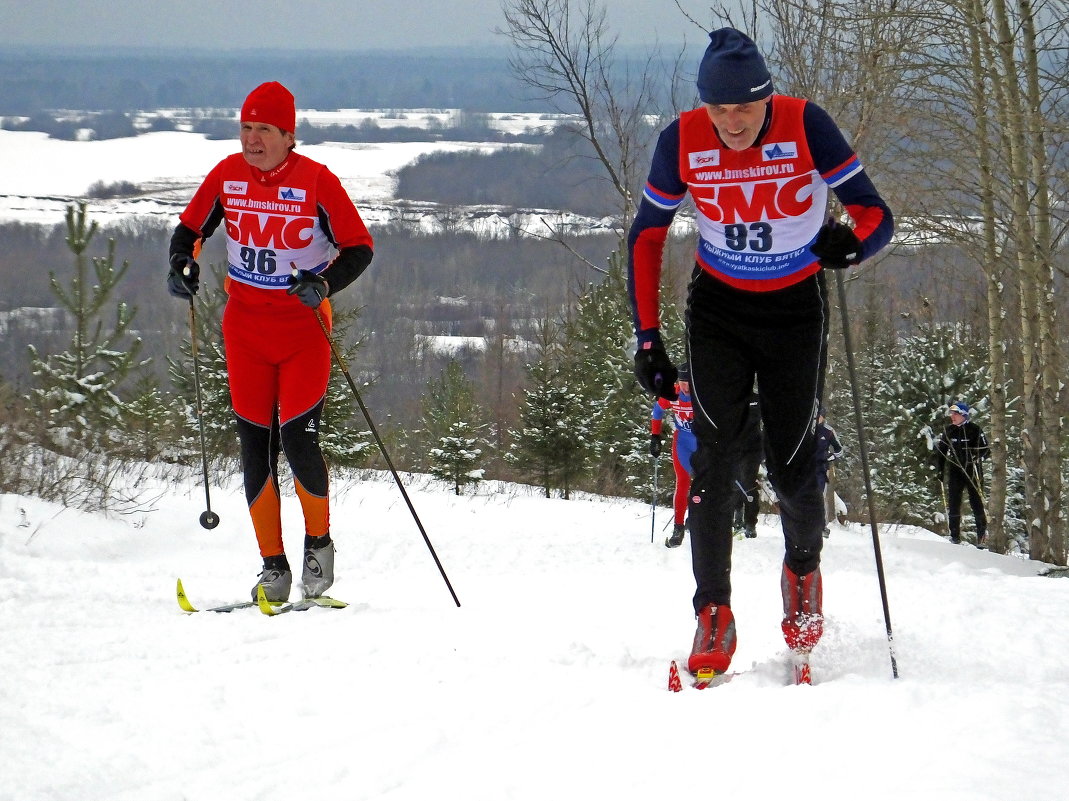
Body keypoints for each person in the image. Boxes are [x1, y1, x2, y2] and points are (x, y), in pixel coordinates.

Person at [628, 28, 893, 678]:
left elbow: (874, 213)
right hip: (717, 306)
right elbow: (646, 234)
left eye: (742, 107)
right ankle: (712, 610)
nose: (730, 121)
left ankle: (801, 570)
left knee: (791, 458)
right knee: (712, 456)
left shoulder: (805, 125)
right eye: (717, 109)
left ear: (765, 97)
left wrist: (850, 243)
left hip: (793, 309)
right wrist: (645, 336)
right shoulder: (682, 140)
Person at [167, 81, 375, 602]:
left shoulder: (317, 182)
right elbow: (189, 230)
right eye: (246, 127)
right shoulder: (226, 175)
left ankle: (318, 555)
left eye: (264, 129)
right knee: (254, 446)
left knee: (299, 441)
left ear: (288, 134)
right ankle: (273, 568)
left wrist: (323, 283)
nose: (252, 139)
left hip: (303, 332)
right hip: (245, 331)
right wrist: (180, 266)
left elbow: (360, 247)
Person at [650, 363, 697, 548]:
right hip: (682, 443)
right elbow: (657, 411)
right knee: (683, 482)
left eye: (689, 382)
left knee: (702, 484)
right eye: (683, 382)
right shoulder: (673, 393)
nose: (686, 387)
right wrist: (655, 436)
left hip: (702, 444)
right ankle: (678, 528)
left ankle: (695, 519)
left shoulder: (701, 394)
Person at [935, 401, 989, 545]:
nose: (953, 416)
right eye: (951, 413)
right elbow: (941, 452)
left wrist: (976, 455)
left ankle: (982, 536)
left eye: (956, 414)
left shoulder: (975, 429)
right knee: (954, 502)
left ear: (964, 415)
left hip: (973, 470)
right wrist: (940, 470)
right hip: (955, 470)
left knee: (976, 502)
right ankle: (954, 536)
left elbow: (986, 450)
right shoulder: (949, 430)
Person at [732, 391, 762, 539]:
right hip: (734, 447)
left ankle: (750, 522)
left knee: (748, 484)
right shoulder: (732, 397)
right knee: (735, 482)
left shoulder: (757, 399)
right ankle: (737, 514)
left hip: (753, 448)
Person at [814, 409, 844, 537]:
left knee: (819, 498)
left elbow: (839, 450)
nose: (816, 419)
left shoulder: (828, 431)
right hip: (804, 468)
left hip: (820, 469)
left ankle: (821, 527)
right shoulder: (806, 429)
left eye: (819, 417)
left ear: (823, 417)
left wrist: (830, 456)